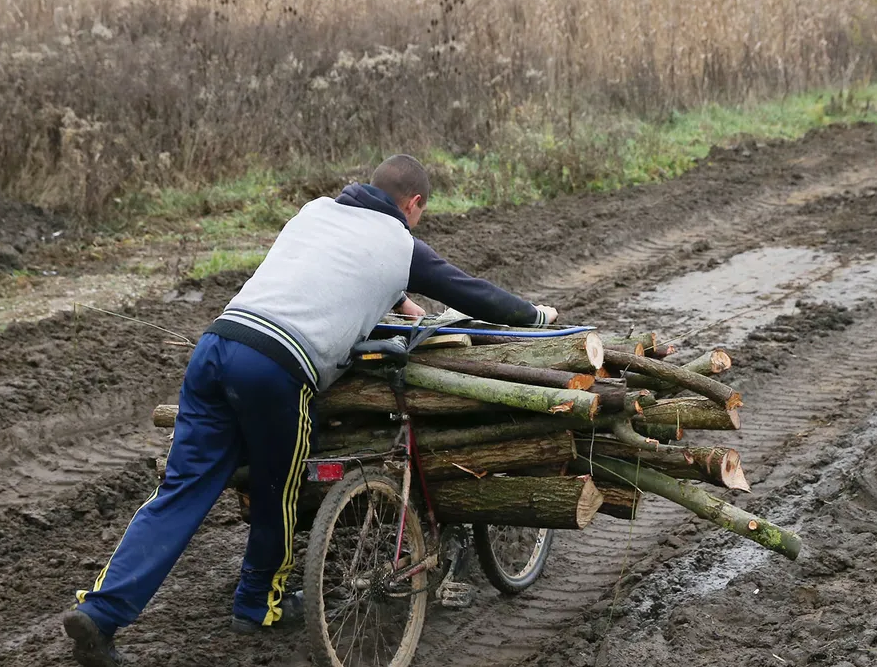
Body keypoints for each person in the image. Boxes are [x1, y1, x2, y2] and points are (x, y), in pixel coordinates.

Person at [61, 155, 557, 667]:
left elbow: (328, 268)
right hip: (276, 369)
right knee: (281, 489)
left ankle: (101, 611)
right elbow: (476, 295)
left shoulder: (316, 210)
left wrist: (399, 300)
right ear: (414, 205)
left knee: (180, 491)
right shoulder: (403, 243)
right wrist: (536, 315)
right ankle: (258, 603)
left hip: (216, 346)